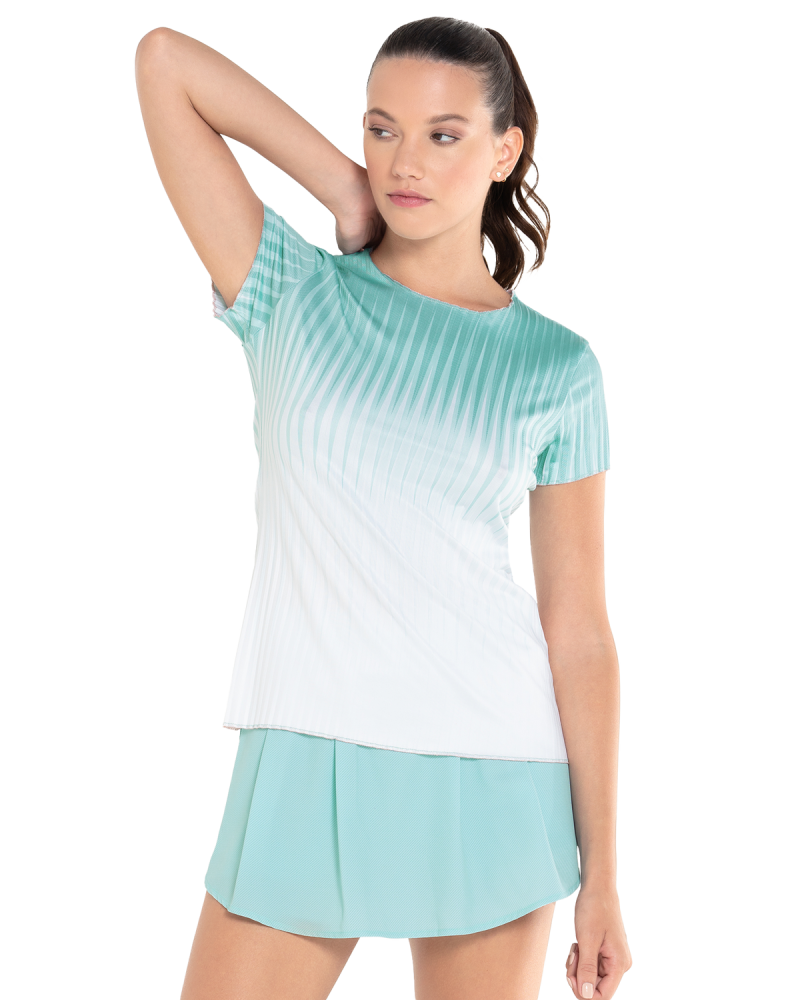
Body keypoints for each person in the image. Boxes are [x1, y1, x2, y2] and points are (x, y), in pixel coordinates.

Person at [135, 16, 632, 1000]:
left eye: (443, 135)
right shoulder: (289, 292)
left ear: (505, 151)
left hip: (492, 767)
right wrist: (341, 188)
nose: (405, 162)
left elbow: (577, 629)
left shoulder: (557, 368)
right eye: (381, 129)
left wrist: (604, 876)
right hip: (304, 754)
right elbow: (164, 63)